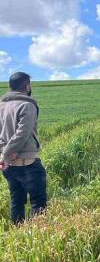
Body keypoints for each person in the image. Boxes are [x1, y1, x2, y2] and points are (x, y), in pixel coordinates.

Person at [0, 72, 47, 224]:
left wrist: (4, 153)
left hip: (9, 166)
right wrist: (7, 154)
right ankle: (38, 235)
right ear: (26, 86)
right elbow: (22, 133)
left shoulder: (1, 106)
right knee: (38, 203)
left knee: (17, 200)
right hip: (28, 162)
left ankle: (19, 234)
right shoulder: (28, 105)